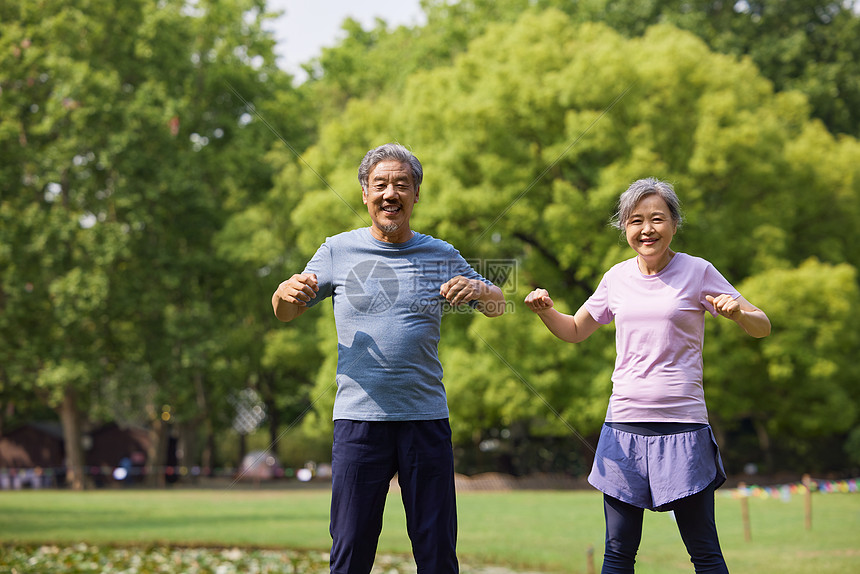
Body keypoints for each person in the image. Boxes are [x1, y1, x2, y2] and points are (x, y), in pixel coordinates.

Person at [272, 143, 506, 574]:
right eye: (380, 184)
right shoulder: (337, 250)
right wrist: (282, 294)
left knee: (436, 551)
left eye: (401, 184)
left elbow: (498, 304)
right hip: (359, 423)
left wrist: (480, 290)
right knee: (351, 547)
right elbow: (287, 310)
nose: (390, 193)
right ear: (364, 193)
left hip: (425, 419)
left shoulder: (441, 254)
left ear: (416, 194)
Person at [524, 178, 770, 574]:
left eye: (657, 218)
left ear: (674, 223)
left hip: (683, 427)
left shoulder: (698, 271)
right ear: (624, 227)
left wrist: (739, 313)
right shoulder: (616, 278)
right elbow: (574, 330)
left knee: (704, 552)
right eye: (635, 220)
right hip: (623, 426)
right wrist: (545, 311)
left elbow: (763, 325)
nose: (647, 229)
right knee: (618, 553)